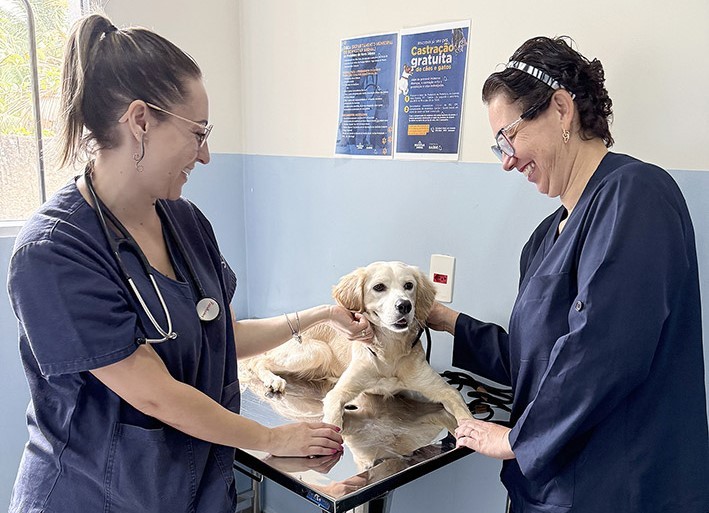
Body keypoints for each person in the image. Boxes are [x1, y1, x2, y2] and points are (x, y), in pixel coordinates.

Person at [6, 14, 373, 513]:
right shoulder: (54, 252)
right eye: (196, 133)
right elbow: (155, 394)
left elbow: (219, 337)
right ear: (140, 121)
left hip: (191, 492)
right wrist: (271, 437)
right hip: (94, 497)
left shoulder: (186, 222)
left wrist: (319, 317)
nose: (205, 155)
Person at [428, 36, 709, 512]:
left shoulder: (636, 195)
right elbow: (535, 361)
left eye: (509, 136)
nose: (507, 160)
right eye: (498, 145)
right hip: (550, 489)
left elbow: (603, 350)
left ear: (561, 109)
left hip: (620, 487)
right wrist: (441, 318)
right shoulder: (543, 239)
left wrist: (516, 441)